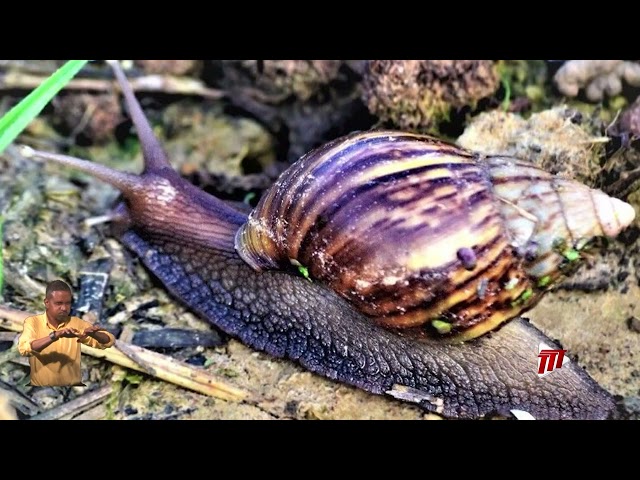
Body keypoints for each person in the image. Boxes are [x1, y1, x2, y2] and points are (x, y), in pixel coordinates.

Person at [17, 280, 116, 387]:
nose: (64, 308)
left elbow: (108, 342)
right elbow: (25, 348)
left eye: (67, 303)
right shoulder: (33, 322)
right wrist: (54, 336)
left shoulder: (76, 323)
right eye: (58, 303)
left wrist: (94, 334)